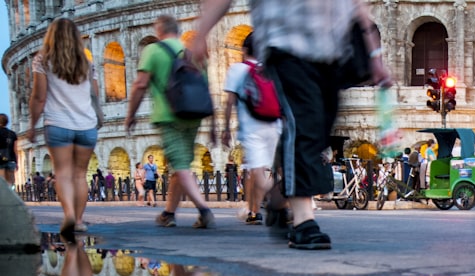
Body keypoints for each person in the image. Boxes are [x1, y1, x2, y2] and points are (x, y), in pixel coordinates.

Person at [190, 0, 391, 250]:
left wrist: (374, 55)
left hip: (333, 50)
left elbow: (357, 6)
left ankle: (278, 197)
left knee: (319, 135)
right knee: (303, 126)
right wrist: (201, 33)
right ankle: (303, 222)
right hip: (285, 45)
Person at [124, 14, 216, 230]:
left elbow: (140, 84)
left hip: (169, 115)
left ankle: (204, 210)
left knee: (180, 165)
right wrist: (213, 125)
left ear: (159, 30)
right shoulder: (191, 52)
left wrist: (131, 115)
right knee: (180, 165)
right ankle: (169, 213)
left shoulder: (153, 51)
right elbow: (207, 87)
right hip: (194, 114)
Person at [26, 18, 103, 237]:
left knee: (63, 174)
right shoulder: (87, 62)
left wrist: (33, 125)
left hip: (58, 124)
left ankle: (68, 214)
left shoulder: (43, 60)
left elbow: (39, 97)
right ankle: (78, 221)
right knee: (80, 175)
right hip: (86, 125)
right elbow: (94, 94)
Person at [221, 32, 283, 225]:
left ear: (244, 49)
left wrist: (225, 128)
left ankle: (289, 196)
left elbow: (230, 101)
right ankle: (254, 211)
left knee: (257, 172)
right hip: (274, 124)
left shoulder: (237, 69)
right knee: (265, 170)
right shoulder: (270, 69)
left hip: (252, 127)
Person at [0, 113, 17, 186]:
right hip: (11, 159)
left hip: (0, 160)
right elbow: (15, 149)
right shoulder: (12, 134)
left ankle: (4, 196)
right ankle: (12, 194)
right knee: (11, 182)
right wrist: (17, 162)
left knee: (2, 182)